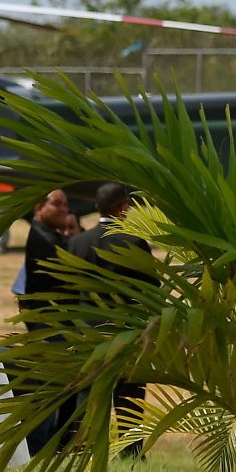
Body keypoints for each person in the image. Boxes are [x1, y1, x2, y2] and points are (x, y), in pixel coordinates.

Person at [69, 182, 158, 456]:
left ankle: (85, 449)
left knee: (89, 396)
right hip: (126, 332)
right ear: (122, 208)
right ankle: (130, 452)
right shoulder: (133, 242)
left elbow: (70, 288)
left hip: (88, 333)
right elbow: (150, 288)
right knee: (129, 395)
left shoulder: (77, 242)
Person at [15, 188, 73, 452]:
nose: (64, 209)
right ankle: (39, 444)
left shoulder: (46, 235)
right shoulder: (44, 239)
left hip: (47, 322)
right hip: (51, 323)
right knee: (50, 386)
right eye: (57, 204)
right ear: (40, 208)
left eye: (65, 205)